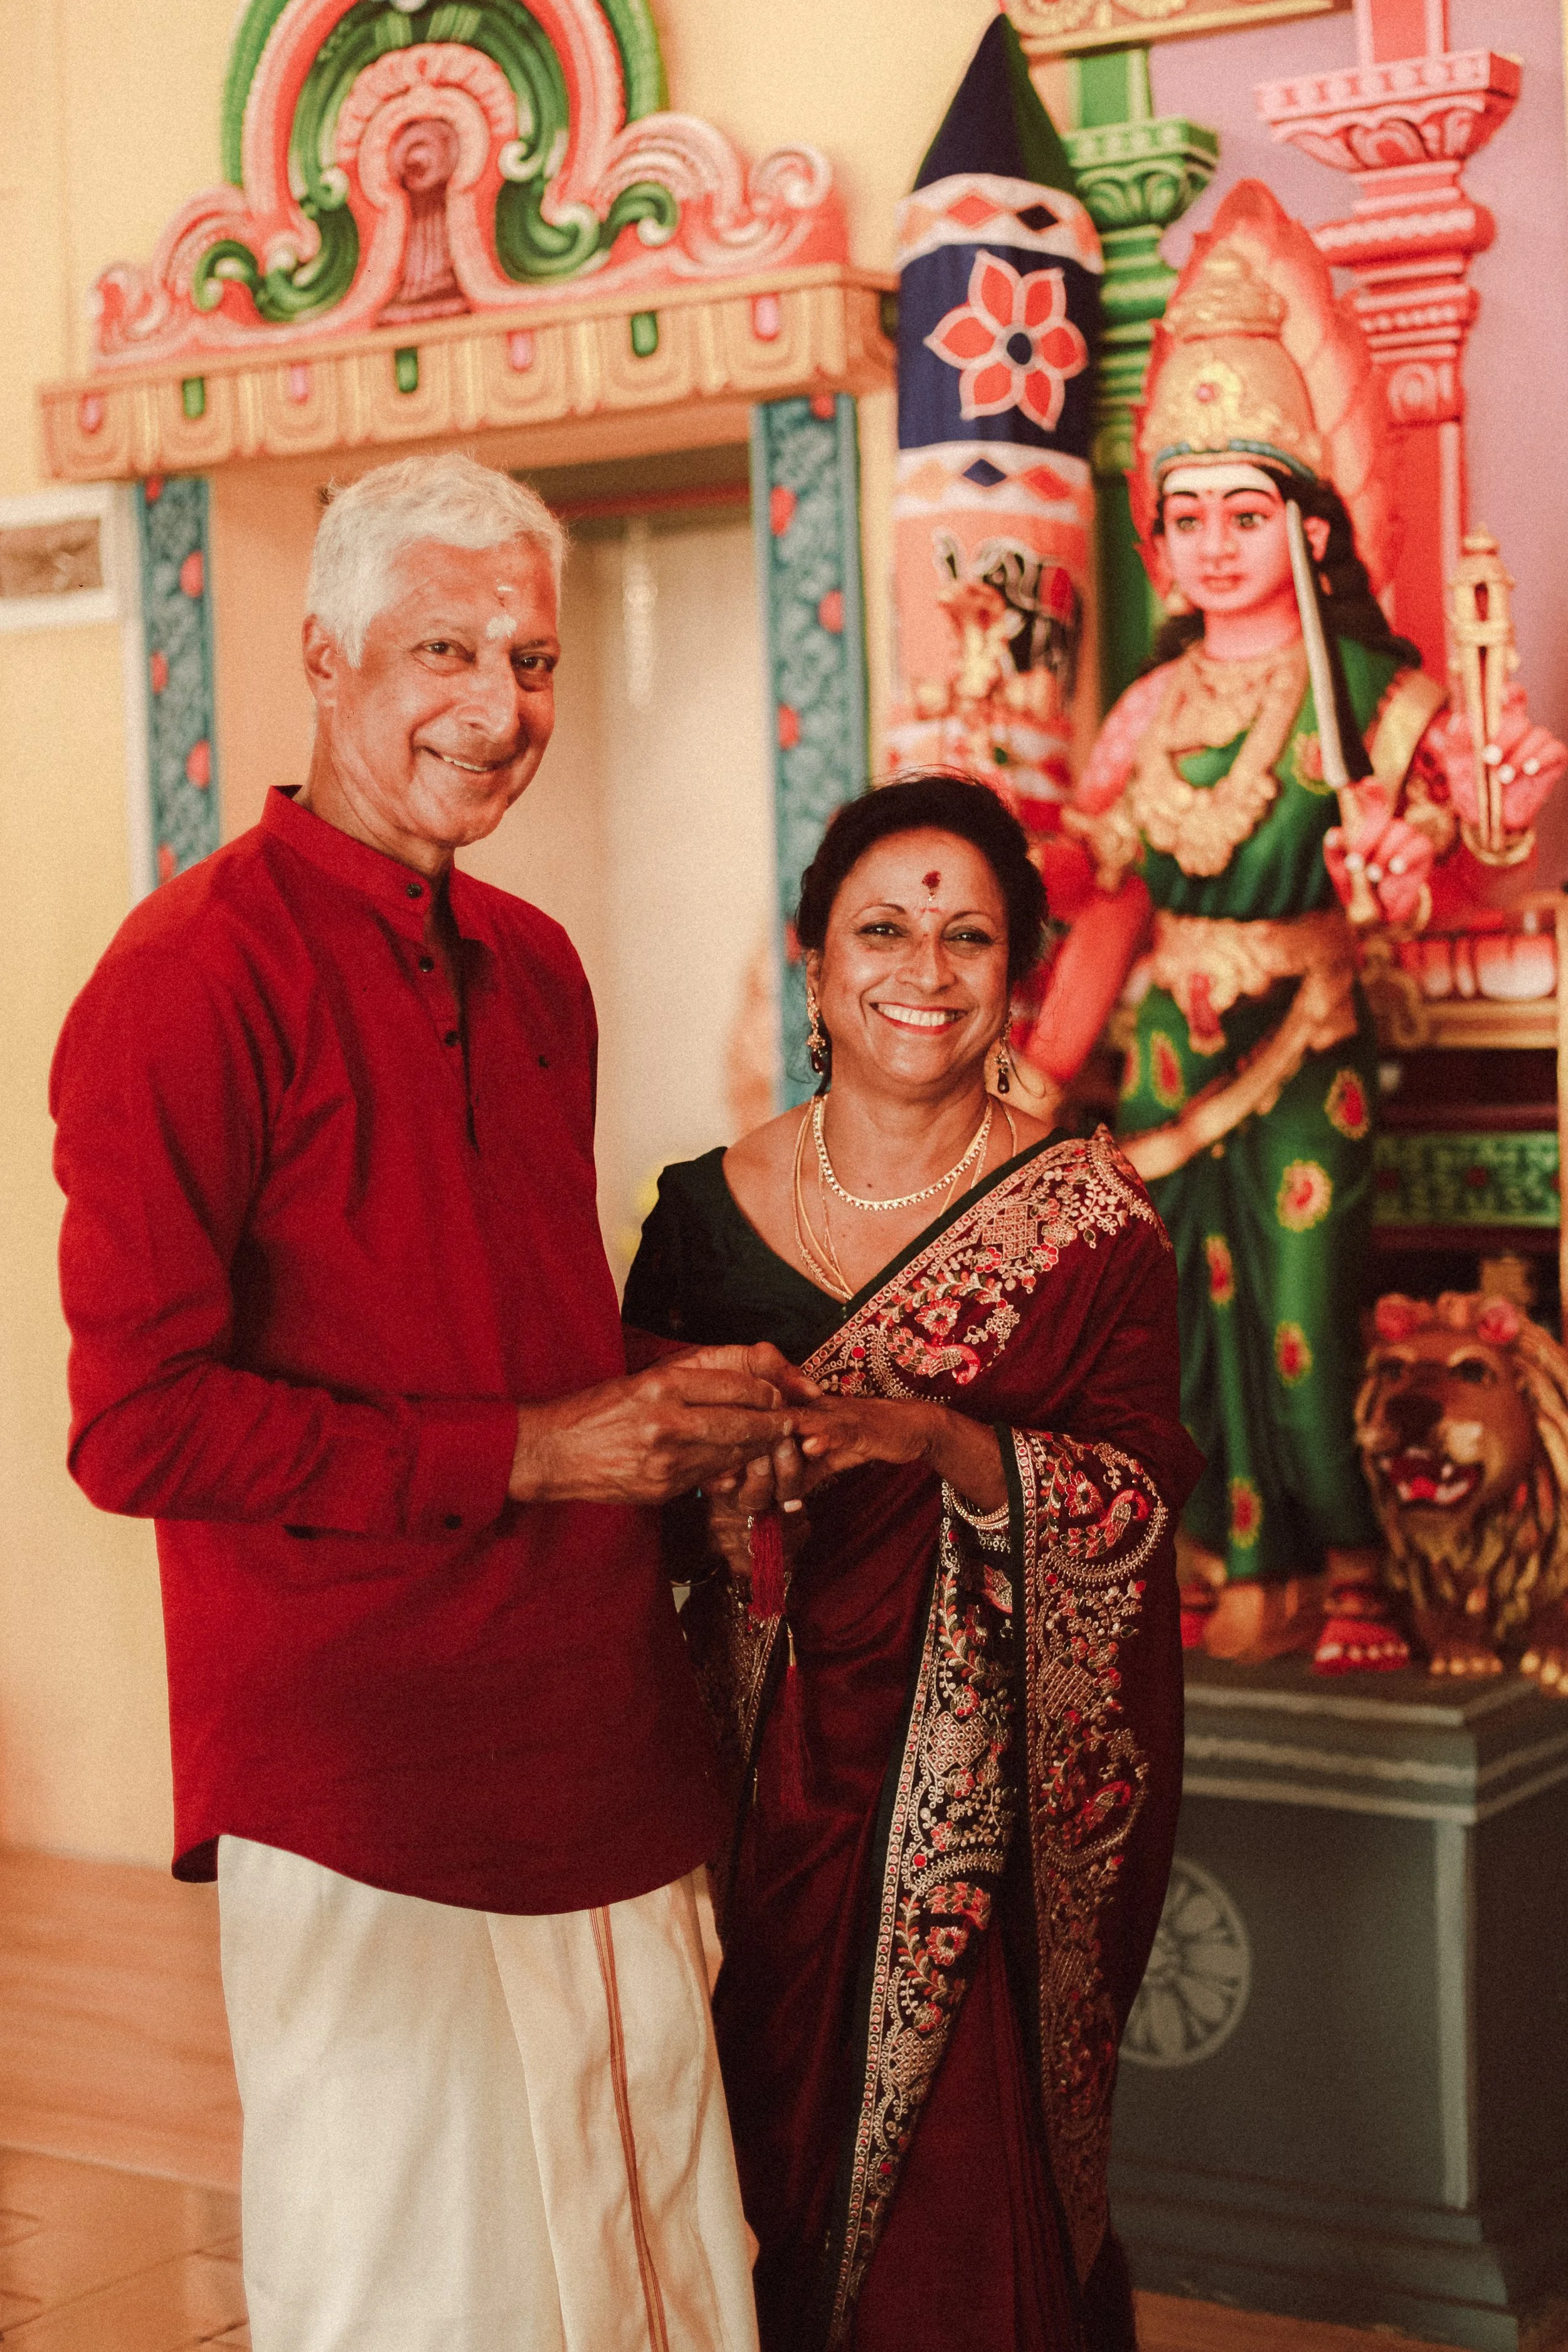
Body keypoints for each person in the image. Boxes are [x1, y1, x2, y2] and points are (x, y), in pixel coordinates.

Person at [50, 452, 812, 2352]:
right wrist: (539, 1450)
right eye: (443, 651)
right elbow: (136, 1423)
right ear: (325, 658)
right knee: (420, 2288)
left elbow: (489, 1324)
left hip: (596, 1729)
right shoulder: (186, 976)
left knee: (659, 2267)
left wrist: (675, 1411)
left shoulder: (535, 969)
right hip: (362, 1770)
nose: (498, 704)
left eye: (532, 659)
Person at [623, 773, 1202, 2352]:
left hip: (975, 1816)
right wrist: (717, 1487)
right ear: (811, 960)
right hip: (736, 1797)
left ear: (1017, 976)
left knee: (953, 2230)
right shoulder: (699, 1216)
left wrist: (939, 1440)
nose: (922, 972)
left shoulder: (1088, 1225)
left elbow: (1136, 1506)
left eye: (967, 938)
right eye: (881, 930)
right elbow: (627, 1500)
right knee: (722, 2181)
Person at [1018, 181, 1565, 1670]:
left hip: (1304, 1042)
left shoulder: (1378, 698)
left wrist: (1458, 826)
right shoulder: (1145, 708)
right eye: (1183, 517)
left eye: (1243, 513)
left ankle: (1348, 1574)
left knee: (1305, 1317)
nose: (1209, 545)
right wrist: (1026, 1064)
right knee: (1173, 1330)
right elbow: (1106, 897)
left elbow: (1459, 854)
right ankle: (1218, 1562)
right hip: (1161, 1060)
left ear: (1311, 526)